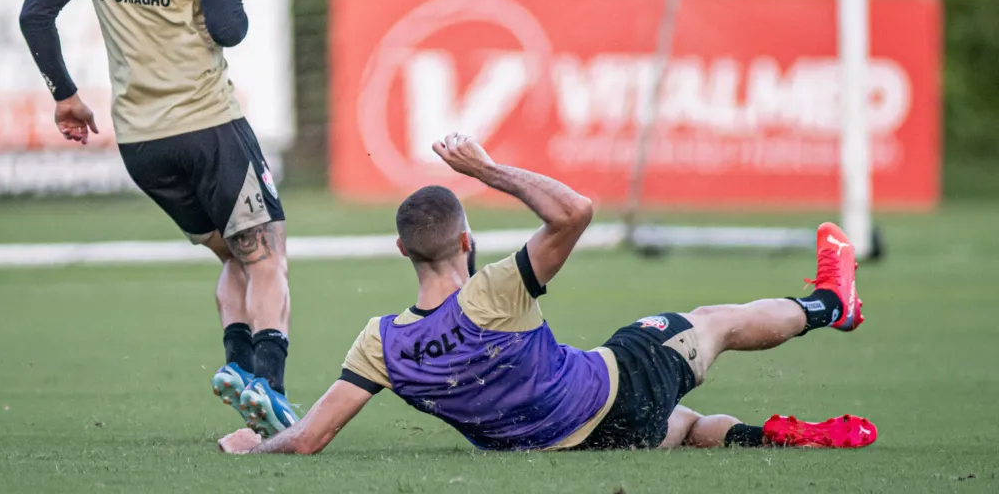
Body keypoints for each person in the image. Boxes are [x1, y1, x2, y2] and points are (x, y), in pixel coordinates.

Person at [218, 132, 876, 455]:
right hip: (620, 389)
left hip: (573, 444)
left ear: (401, 251)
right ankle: (831, 303)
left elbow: (307, 438)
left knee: (687, 428)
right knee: (712, 322)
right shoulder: (497, 291)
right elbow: (575, 212)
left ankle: (775, 440)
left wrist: (256, 448)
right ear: (465, 239)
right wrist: (485, 168)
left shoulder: (381, 344)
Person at [18, 0, 296, 434]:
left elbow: (35, 13)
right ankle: (271, 391)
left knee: (235, 258)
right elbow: (229, 28)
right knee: (268, 256)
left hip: (142, 144)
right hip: (208, 126)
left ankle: (237, 369)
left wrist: (64, 92)